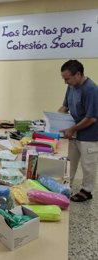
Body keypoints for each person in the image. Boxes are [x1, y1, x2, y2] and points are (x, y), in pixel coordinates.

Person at [58, 59, 98, 202]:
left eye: (67, 78)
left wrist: (72, 128)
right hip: (73, 133)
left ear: (78, 74)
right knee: (70, 162)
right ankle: (66, 186)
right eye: (64, 78)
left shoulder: (91, 89)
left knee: (88, 165)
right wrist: (54, 120)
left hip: (89, 135)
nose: (65, 82)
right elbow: (64, 107)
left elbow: (91, 118)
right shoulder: (71, 86)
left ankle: (86, 191)